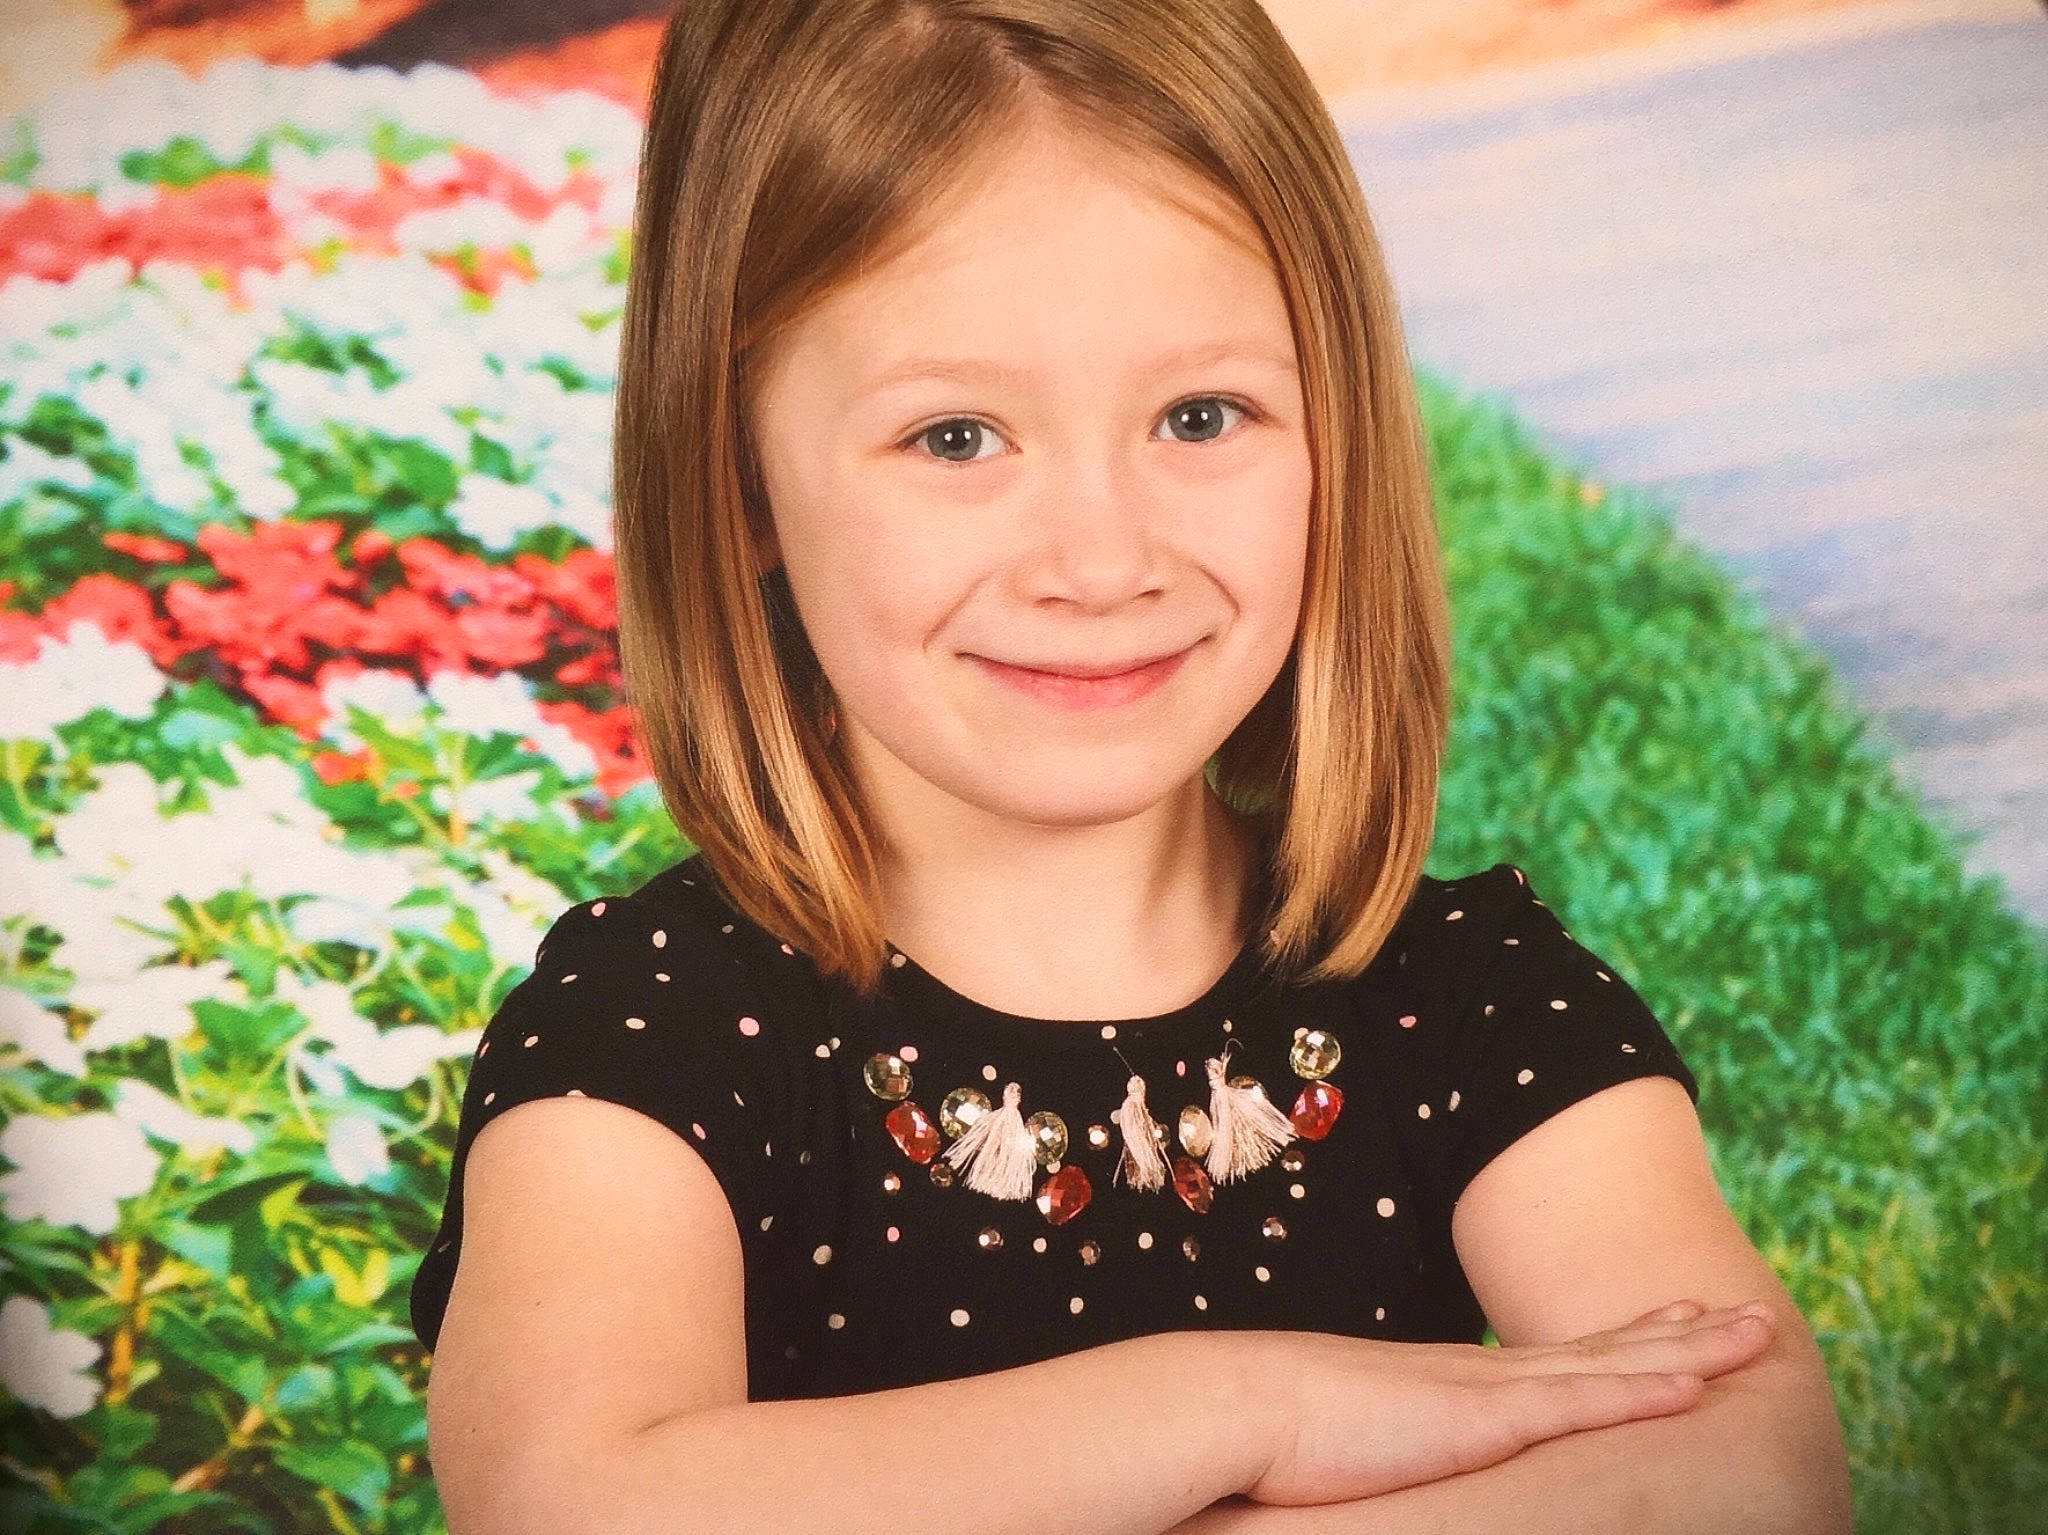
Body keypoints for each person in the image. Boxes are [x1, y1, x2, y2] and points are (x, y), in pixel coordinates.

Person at [407, 1, 1852, 1530]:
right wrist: (1252, 1402)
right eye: (957, 438)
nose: (1101, 562)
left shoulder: (1459, 996)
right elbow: (571, 1503)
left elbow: (1751, 1476)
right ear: (739, 479)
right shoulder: (658, 1034)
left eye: (1200, 415)